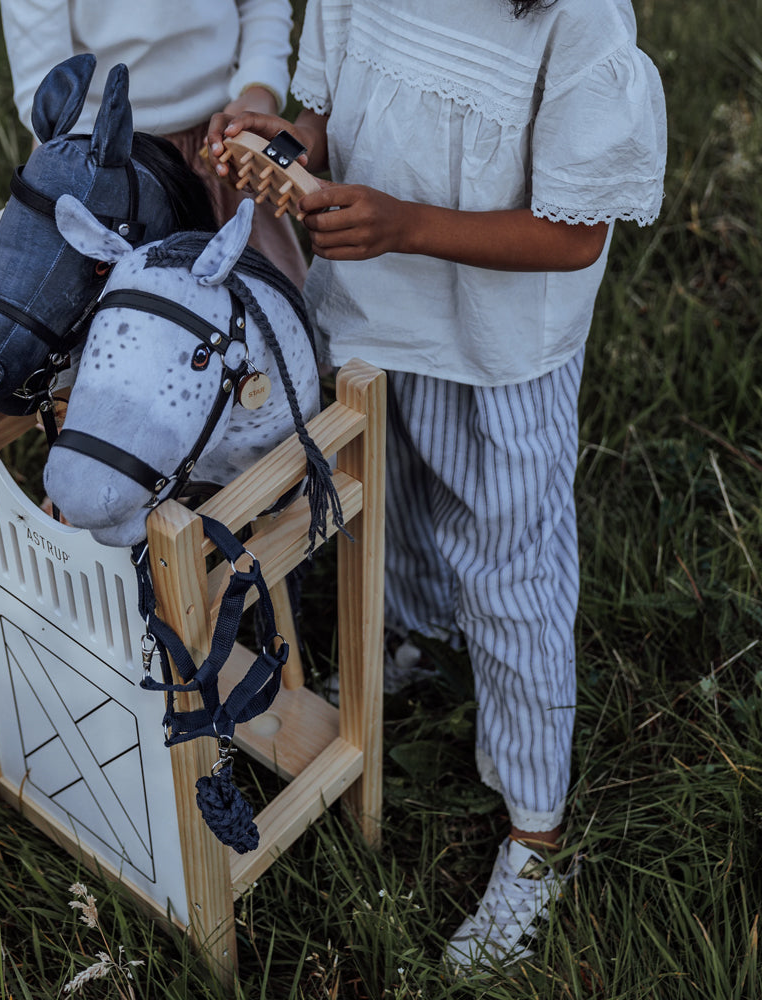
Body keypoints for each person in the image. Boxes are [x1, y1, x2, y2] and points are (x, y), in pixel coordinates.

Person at [207, 0, 666, 973]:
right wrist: (285, 144)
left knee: (509, 566)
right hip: (377, 314)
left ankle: (536, 832)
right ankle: (419, 634)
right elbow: (335, 109)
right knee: (403, 496)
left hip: (501, 350)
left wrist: (407, 223)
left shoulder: (573, 18)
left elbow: (572, 236)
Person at [0, 0, 307, 287]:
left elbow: (262, 6)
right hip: (104, 161)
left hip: (220, 144)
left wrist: (259, 89)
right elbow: (45, 79)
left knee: (258, 314)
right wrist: (84, 157)